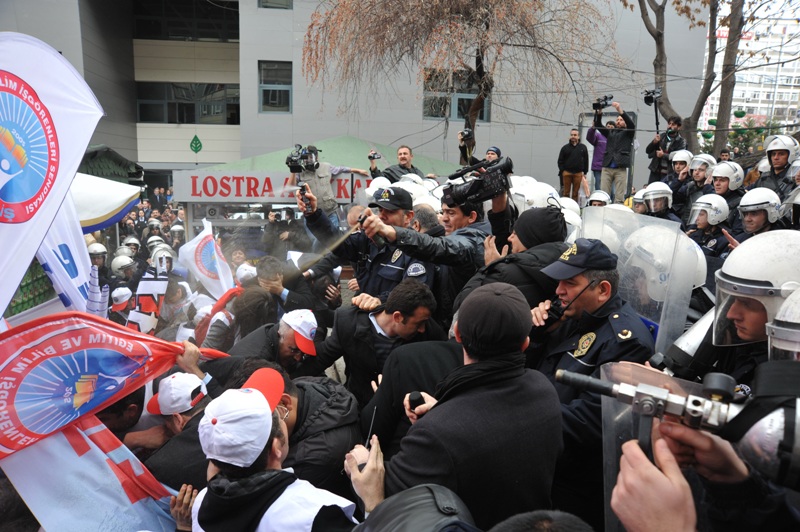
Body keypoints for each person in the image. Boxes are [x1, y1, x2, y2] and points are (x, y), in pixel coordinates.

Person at [350, 283, 563, 530]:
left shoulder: (437, 434)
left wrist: (363, 463)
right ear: (525, 343)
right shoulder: (545, 390)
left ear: (458, 334)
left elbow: (390, 501)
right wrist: (444, 410)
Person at [529, 238, 655, 530]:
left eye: (569, 283)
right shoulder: (573, 317)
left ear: (602, 290)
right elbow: (538, 373)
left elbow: (594, 421)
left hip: (577, 483)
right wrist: (537, 335)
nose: (558, 291)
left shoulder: (627, 342)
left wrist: (523, 413)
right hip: (549, 462)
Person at [191, 368, 359, 530]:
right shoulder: (316, 513)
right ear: (276, 447)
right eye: (278, 417)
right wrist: (372, 501)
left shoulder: (200, 504)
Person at [292, 278, 444, 408]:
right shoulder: (348, 323)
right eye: (418, 324)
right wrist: (287, 381)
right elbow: (319, 360)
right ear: (397, 317)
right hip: (360, 406)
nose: (423, 329)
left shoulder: (427, 328)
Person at [360, 188, 492, 328]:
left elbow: (439, 247)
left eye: (451, 213)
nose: (444, 218)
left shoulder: (473, 242)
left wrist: (393, 233)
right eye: (443, 212)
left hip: (458, 329)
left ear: (471, 217)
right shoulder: (452, 236)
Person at [300, 186, 434, 301]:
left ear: (409, 217)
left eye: (390, 211)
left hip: (393, 322)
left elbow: (413, 295)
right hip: (366, 320)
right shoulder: (368, 239)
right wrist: (313, 214)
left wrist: (378, 301)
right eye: (380, 210)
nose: (382, 216)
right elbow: (338, 242)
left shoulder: (417, 248)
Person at [454, 205, 568, 312]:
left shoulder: (503, 274)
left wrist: (490, 268)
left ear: (529, 238)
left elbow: (462, 305)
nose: (510, 238)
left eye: (515, 233)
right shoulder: (567, 270)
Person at [291, 145, 369, 228]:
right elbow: (291, 186)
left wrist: (358, 170)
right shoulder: (300, 172)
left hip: (330, 212)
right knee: (315, 240)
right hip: (311, 214)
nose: (308, 160)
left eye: (310, 157)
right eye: (305, 158)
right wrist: (293, 169)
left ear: (316, 157)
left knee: (333, 239)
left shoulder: (326, 166)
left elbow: (341, 169)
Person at [225, 308, 321, 375]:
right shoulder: (256, 361)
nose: (298, 358)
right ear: (279, 334)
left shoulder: (273, 331)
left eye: (302, 352)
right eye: (293, 350)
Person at [594, 101, 636, 203]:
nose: (618, 121)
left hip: (620, 168)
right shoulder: (610, 132)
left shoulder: (628, 133)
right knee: (604, 195)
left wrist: (620, 110)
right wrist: (599, 110)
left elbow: (631, 124)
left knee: (619, 196)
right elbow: (598, 124)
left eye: (621, 120)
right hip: (607, 167)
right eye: (617, 119)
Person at [750, 134, 798, 200]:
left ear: (791, 155)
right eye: (773, 154)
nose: (776, 157)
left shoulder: (795, 179)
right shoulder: (763, 178)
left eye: (781, 154)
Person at [646, 116, 687, 184]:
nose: (670, 126)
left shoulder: (681, 141)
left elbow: (679, 157)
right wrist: (654, 142)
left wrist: (663, 155)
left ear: (678, 127)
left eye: (673, 124)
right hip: (656, 171)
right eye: (669, 124)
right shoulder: (662, 136)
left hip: (670, 173)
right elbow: (648, 151)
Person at [557, 128, 590, 202]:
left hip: (578, 173)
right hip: (567, 173)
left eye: (575, 135)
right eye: (571, 135)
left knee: (576, 193)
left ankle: (574, 207)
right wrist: (563, 171)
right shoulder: (565, 148)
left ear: (578, 136)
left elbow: (586, 160)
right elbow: (560, 161)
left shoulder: (583, 147)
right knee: (565, 192)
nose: (573, 136)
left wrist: (585, 172)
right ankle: (565, 206)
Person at [586, 120, 613, 192]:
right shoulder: (598, 136)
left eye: (611, 127)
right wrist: (593, 128)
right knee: (599, 188)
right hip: (599, 167)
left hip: (611, 167)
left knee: (612, 191)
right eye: (608, 127)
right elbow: (589, 138)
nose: (609, 128)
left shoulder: (616, 138)